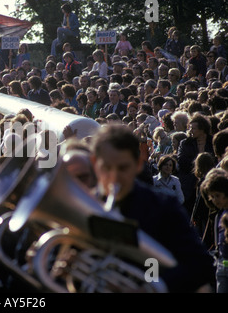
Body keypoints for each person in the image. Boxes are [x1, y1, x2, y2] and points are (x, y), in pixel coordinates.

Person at [89, 124, 214, 292]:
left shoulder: (162, 207)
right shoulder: (85, 205)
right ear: (94, 163)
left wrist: (150, 284)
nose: (114, 177)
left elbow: (201, 265)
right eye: (107, 167)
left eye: (123, 168)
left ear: (139, 164)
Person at [200, 168, 228, 293]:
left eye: (218, 196)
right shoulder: (219, 215)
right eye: (212, 196)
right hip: (222, 264)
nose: (215, 200)